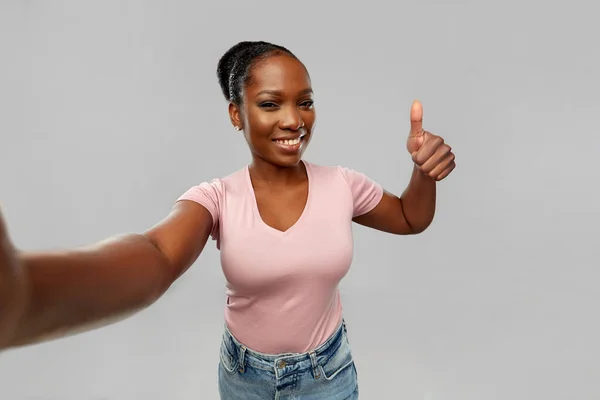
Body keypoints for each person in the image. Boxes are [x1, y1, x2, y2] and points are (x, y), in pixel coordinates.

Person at [0, 41, 456, 399]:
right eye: (271, 104)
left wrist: (423, 173)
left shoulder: (342, 184)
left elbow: (410, 218)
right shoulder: (216, 197)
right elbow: (158, 255)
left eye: (306, 101)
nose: (295, 120)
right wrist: (26, 293)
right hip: (245, 377)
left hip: (328, 373)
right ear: (237, 114)